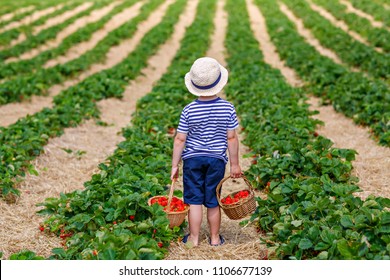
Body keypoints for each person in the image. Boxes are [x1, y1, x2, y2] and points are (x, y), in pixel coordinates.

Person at [170, 57, 242, 247]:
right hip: (216, 160)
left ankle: (193, 239)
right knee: (212, 200)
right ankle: (215, 238)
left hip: (193, 160)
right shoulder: (228, 108)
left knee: (194, 200)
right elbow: (231, 138)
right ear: (218, 83)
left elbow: (180, 139)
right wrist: (234, 164)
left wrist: (174, 165)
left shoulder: (189, 110)